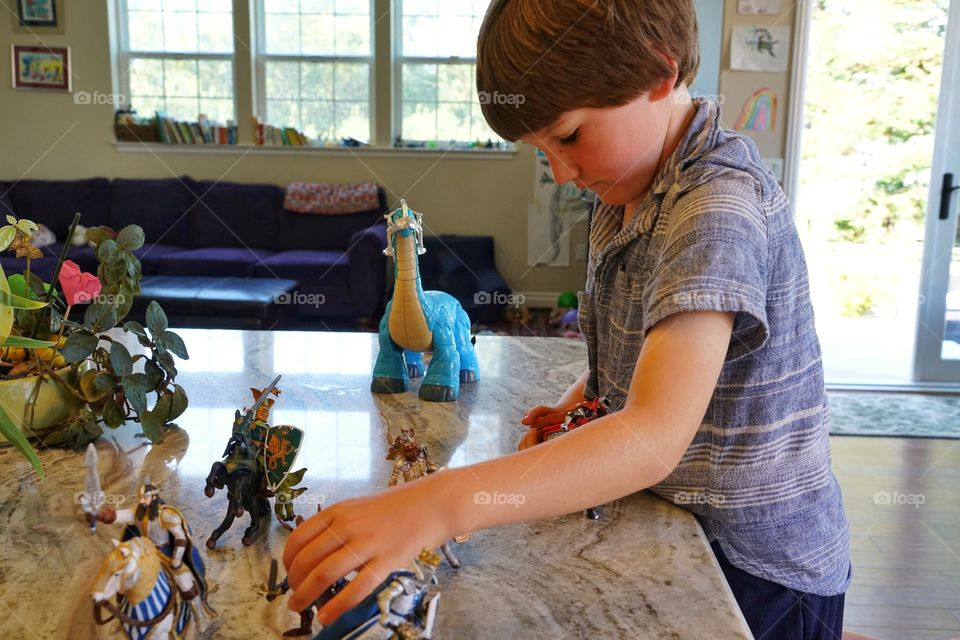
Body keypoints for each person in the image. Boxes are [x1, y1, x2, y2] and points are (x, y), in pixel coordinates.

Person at [284, 1, 850, 638]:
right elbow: (651, 352)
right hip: (680, 525)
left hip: (756, 567)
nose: (560, 171)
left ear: (658, 75)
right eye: (540, 149)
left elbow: (653, 436)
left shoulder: (715, 209)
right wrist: (584, 399)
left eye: (569, 136)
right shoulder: (632, 187)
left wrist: (438, 503)